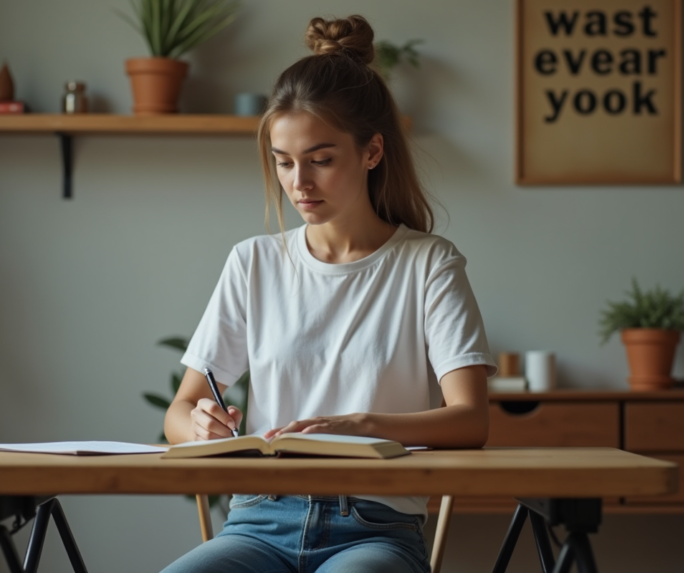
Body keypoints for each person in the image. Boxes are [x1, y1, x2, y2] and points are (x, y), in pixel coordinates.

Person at [162, 14, 496, 573]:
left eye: (320, 160)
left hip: (374, 531)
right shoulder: (254, 262)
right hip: (257, 523)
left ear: (371, 152)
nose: (299, 183)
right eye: (284, 163)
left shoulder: (429, 263)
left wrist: (361, 426)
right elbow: (180, 409)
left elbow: (470, 420)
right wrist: (199, 426)